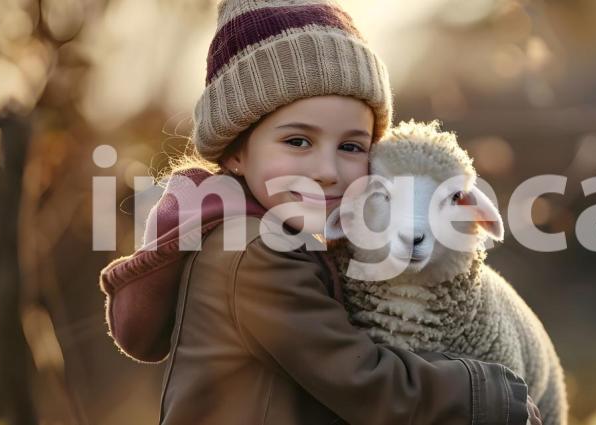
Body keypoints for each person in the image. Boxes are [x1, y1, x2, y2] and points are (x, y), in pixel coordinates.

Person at [98, 1, 543, 424]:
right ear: (236, 153)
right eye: (298, 141)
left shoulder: (281, 239)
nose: (328, 171)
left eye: (351, 147)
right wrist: (489, 395)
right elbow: (364, 383)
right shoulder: (252, 256)